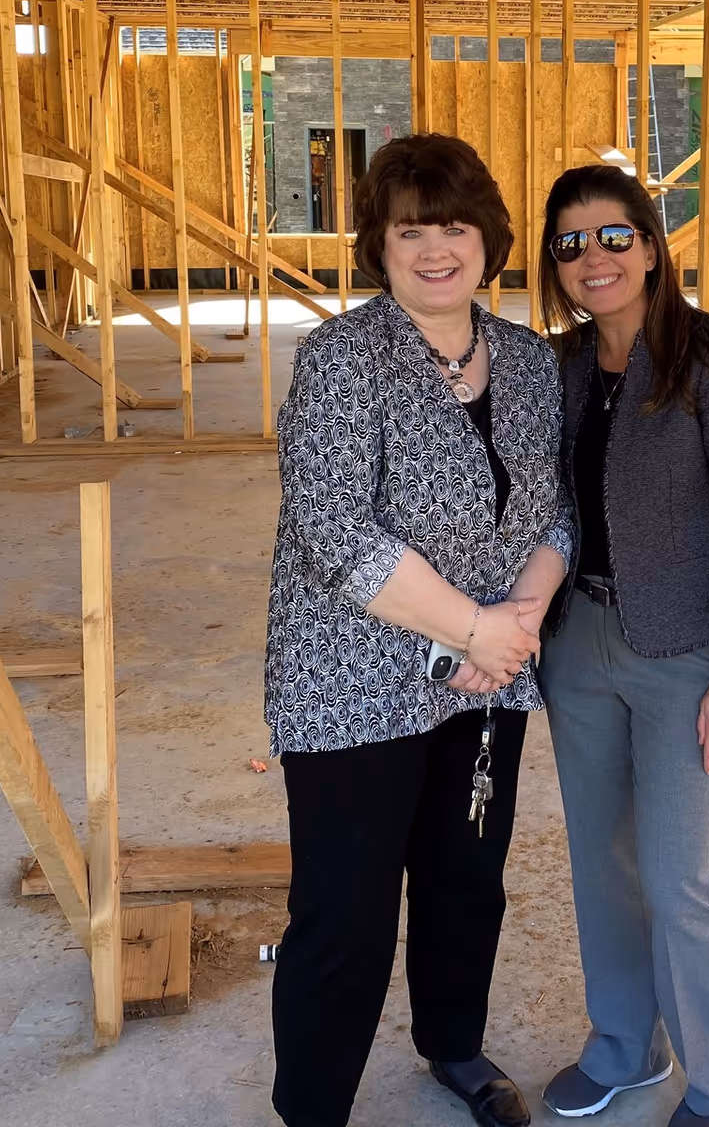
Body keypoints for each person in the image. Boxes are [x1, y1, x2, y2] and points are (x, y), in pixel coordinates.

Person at [264, 134, 571, 1127]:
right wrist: (479, 629)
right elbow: (335, 536)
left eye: (454, 226)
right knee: (344, 914)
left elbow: (558, 509)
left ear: (488, 238)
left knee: (465, 880)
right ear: (378, 244)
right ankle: (313, 1108)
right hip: (353, 681)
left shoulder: (527, 360)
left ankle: (454, 1047)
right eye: (411, 229)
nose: (436, 248)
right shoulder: (343, 358)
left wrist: (517, 623)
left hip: (487, 681)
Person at [534, 164, 709, 1127]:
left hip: (684, 653)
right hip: (578, 643)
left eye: (611, 236)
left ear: (650, 242)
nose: (592, 258)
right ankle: (624, 1047)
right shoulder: (557, 367)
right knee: (603, 861)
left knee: (681, 875)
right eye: (569, 244)